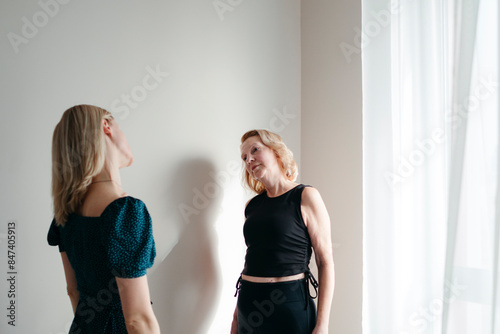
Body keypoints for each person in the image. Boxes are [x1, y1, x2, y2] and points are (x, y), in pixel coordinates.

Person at [47, 105, 160, 334]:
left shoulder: (65, 212)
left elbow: (73, 290)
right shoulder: (125, 212)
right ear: (106, 127)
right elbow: (137, 319)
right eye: (121, 128)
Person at [231, 130, 335, 334]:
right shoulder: (252, 206)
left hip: (290, 304)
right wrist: (236, 316)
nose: (249, 160)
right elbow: (253, 259)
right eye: (244, 158)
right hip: (248, 303)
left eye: (255, 150)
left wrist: (322, 325)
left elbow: (325, 262)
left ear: (276, 152)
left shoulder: (306, 196)